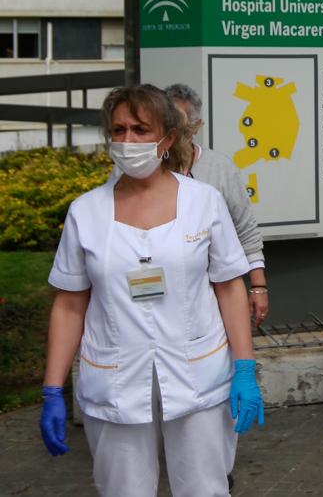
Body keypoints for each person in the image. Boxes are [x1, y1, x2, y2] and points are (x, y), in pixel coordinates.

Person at [39, 85, 264, 496]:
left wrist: (245, 368)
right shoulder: (85, 212)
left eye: (141, 130)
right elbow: (70, 304)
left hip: (198, 372)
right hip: (116, 379)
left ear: (168, 138)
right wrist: (53, 388)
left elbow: (230, 288)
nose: (128, 141)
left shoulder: (204, 202)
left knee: (204, 489)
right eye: (119, 130)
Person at [165, 84, 269, 327]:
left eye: (179, 126)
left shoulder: (219, 167)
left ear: (195, 126)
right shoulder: (143, 170)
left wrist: (258, 286)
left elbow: (246, 229)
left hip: (213, 294)